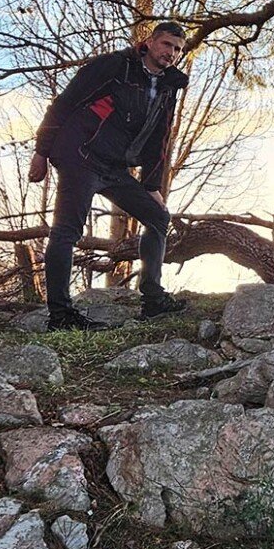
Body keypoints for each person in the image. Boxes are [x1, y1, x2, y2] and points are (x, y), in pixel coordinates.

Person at [28, 22, 191, 330]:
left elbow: (160, 139)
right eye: (167, 44)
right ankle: (61, 315)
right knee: (67, 230)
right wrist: (41, 151)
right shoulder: (116, 66)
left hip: (115, 167)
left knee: (158, 217)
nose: (171, 53)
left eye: (177, 49)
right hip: (81, 155)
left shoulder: (169, 86)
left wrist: (151, 185)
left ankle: (153, 300)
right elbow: (64, 104)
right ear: (150, 42)